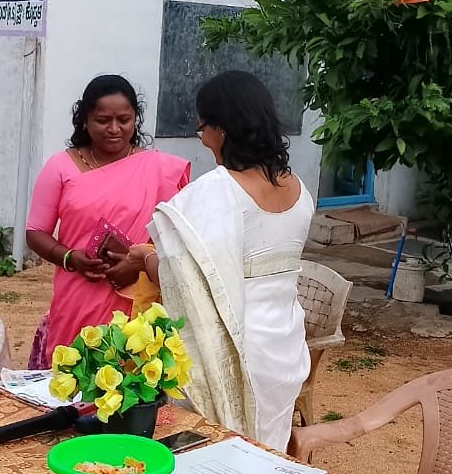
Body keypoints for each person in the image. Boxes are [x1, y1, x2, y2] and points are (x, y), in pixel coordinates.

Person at [128, 70, 314, 451]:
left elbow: (185, 281)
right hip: (284, 347)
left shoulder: (217, 192)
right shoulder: (300, 189)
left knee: (217, 456)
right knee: (267, 455)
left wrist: (144, 259)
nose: (203, 139)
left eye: (202, 129)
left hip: (234, 351)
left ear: (222, 130)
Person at [25, 75, 190, 366]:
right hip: (78, 292)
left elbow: (177, 234)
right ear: (85, 119)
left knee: (133, 383)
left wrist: (138, 264)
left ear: (135, 119)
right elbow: (36, 232)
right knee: (75, 377)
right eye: (103, 120)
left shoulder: (158, 168)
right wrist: (70, 258)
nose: (114, 129)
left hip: (137, 294)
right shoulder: (61, 167)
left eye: (124, 119)